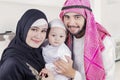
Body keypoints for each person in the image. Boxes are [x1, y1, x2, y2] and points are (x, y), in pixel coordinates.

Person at [54, 0, 116, 80]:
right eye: (67, 17)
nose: (71, 23)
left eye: (77, 17)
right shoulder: (65, 37)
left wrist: (73, 74)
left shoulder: (104, 41)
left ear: (87, 17)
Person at [0, 9, 51, 80]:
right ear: (24, 29)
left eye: (43, 31)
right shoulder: (12, 64)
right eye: (34, 29)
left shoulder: (40, 52)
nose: (39, 36)